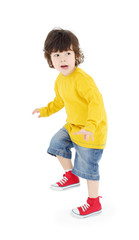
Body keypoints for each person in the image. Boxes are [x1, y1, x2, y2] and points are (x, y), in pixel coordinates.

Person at [32, 28, 107, 218]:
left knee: (89, 169)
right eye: (57, 55)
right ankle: (71, 175)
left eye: (68, 53)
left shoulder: (83, 80)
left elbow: (96, 103)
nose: (63, 59)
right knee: (56, 143)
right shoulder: (60, 80)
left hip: (91, 130)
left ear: (77, 55)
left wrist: (90, 126)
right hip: (72, 126)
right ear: (50, 59)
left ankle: (94, 203)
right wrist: (45, 110)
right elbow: (59, 101)